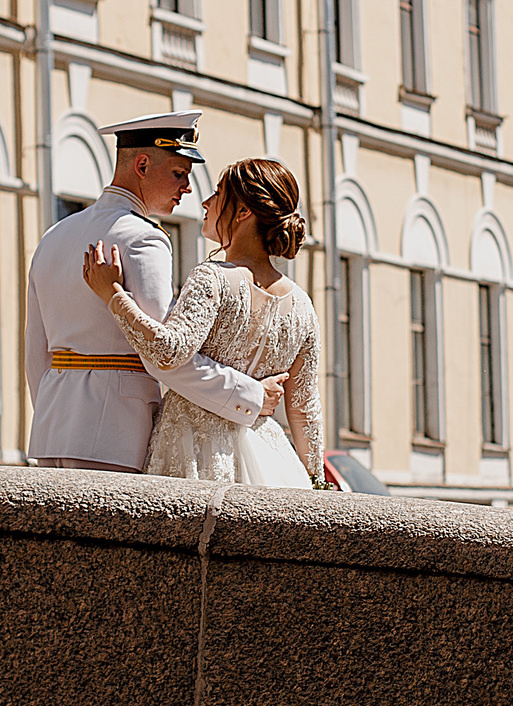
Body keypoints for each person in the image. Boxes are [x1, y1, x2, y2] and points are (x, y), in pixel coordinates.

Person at [23, 112, 282, 472]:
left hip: (52, 431)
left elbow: (37, 355)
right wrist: (250, 395)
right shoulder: (143, 238)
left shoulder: (54, 236)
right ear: (142, 165)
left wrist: (60, 415)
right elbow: (165, 355)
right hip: (116, 433)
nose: (188, 188)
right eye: (179, 173)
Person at [84, 157, 329, 489]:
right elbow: (305, 409)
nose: (206, 202)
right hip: (273, 463)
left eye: (217, 193)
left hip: (194, 457)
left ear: (242, 212)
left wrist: (113, 294)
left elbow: (168, 352)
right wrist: (316, 481)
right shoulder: (303, 306)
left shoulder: (213, 278)